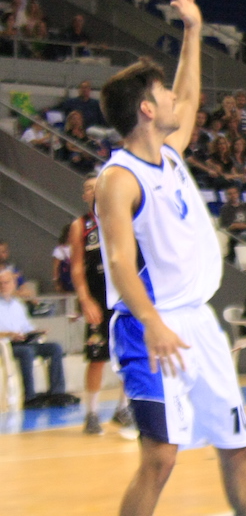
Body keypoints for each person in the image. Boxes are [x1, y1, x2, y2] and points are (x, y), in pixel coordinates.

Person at [93, 0, 246, 516]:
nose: (174, 99)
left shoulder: (168, 153)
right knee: (160, 458)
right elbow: (119, 264)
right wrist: (153, 323)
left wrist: (193, 30)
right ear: (146, 109)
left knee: (238, 447)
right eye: (162, 94)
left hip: (198, 324)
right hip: (150, 326)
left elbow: (188, 97)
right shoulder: (119, 179)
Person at [69, 174, 134, 435]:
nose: (94, 191)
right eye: (89, 188)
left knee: (130, 355)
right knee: (97, 358)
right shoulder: (80, 225)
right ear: (85, 195)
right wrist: (85, 300)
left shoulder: (122, 218)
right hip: (98, 299)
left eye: (97, 187)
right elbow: (76, 268)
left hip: (124, 298)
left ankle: (123, 408)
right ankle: (92, 413)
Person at [0, 268, 76, 408]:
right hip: (6, 344)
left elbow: (26, 327)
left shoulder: (18, 305)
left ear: (13, 284)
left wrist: (36, 332)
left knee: (55, 348)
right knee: (26, 352)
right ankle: (30, 396)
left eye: (6, 282)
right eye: (1, 283)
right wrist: (9, 334)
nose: (3, 286)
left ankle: (57, 392)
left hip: (23, 341)